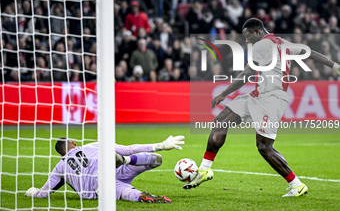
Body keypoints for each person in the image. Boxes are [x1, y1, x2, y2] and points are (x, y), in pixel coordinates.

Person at [184, 18, 340, 197]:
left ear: (257, 32)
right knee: (220, 121)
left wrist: (224, 93)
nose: (247, 40)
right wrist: (334, 65)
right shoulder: (283, 43)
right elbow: (309, 52)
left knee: (264, 147)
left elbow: (247, 74)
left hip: (272, 99)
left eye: (247, 36)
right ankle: (205, 169)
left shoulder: (262, 45)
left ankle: (296, 185)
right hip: (257, 96)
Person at [25, 135, 185, 203]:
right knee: (157, 160)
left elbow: (44, 192)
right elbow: (128, 148)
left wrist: (32, 191)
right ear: (73, 142)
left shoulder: (59, 167)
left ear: (61, 153)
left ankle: (140, 196)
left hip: (99, 187)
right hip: (115, 168)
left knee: (123, 193)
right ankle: (126, 161)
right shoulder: (91, 145)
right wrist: (160, 145)